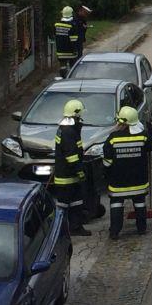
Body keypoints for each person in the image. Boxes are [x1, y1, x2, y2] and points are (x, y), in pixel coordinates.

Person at [103, 106, 152, 239]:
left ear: (121, 122)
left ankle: (115, 232)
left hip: (118, 182)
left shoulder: (112, 138)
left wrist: (107, 175)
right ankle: (141, 229)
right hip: (139, 182)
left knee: (116, 205)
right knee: (140, 204)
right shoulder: (143, 136)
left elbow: (107, 163)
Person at [51, 99, 92, 236]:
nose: (81, 119)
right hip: (66, 176)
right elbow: (71, 156)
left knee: (76, 202)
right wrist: (80, 171)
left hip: (69, 175)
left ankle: (76, 227)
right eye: (80, 116)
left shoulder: (67, 128)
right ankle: (59, 231)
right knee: (62, 206)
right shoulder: (68, 131)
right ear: (76, 114)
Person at [54, 7, 79, 76]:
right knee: (73, 67)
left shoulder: (56, 25)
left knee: (63, 66)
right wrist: (75, 50)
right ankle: (71, 79)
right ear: (71, 14)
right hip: (70, 52)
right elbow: (73, 40)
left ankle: (63, 78)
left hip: (60, 51)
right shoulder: (72, 26)